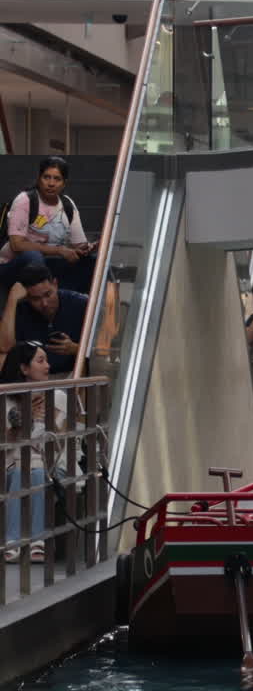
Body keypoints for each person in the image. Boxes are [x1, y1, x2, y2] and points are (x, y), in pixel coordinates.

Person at [2, 341, 63, 563]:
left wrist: (48, 418)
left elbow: (60, 445)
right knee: (24, 470)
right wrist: (21, 420)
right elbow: (4, 446)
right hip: (10, 465)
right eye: (40, 360)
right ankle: (35, 541)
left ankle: (18, 541)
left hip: (49, 466)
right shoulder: (4, 397)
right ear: (24, 369)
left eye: (46, 360)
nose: (47, 365)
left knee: (35, 472)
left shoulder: (57, 397)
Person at [0, 156, 97, 293]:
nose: (51, 183)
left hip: (48, 264)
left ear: (64, 183)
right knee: (33, 256)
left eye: (57, 179)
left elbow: (78, 245)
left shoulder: (67, 205)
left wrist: (89, 248)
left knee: (90, 262)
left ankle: (79, 306)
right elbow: (17, 245)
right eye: (47, 177)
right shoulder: (25, 200)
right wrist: (59, 250)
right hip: (12, 265)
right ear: (39, 179)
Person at [0, 264, 87, 376]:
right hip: (33, 379)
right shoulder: (20, 309)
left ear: (55, 284)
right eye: (36, 299)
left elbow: (103, 351)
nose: (44, 304)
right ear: (26, 296)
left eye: (48, 294)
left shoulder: (80, 304)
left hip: (73, 375)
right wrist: (12, 300)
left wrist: (76, 349)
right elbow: (4, 347)